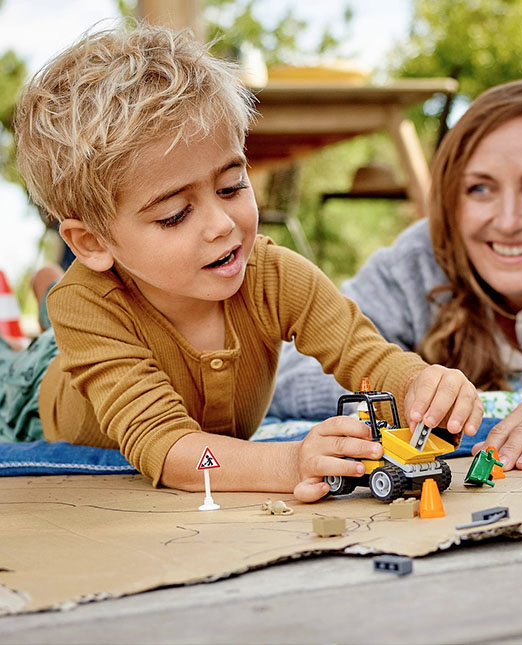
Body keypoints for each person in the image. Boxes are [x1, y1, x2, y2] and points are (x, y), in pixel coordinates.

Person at [11, 23, 483, 502]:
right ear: (91, 242)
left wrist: (422, 382)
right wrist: (290, 460)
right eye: (174, 215)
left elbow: (367, 356)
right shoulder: (87, 307)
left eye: (232, 186)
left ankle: (47, 287)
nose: (221, 224)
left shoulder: (275, 276)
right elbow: (166, 446)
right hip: (33, 396)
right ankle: (50, 291)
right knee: (42, 331)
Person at [270, 78, 522, 472]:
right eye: (480, 189)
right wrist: (411, 383)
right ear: (452, 204)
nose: (508, 221)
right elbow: (297, 366)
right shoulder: (416, 261)